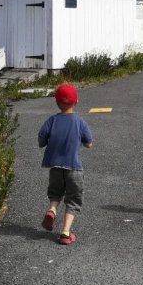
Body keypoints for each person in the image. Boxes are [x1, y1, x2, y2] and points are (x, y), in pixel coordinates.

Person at [38, 83, 93, 245]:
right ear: (76, 101)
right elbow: (89, 143)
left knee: (55, 193)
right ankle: (65, 233)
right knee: (73, 199)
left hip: (55, 167)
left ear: (56, 102)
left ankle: (52, 209)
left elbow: (41, 140)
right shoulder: (80, 122)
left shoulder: (52, 120)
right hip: (74, 168)